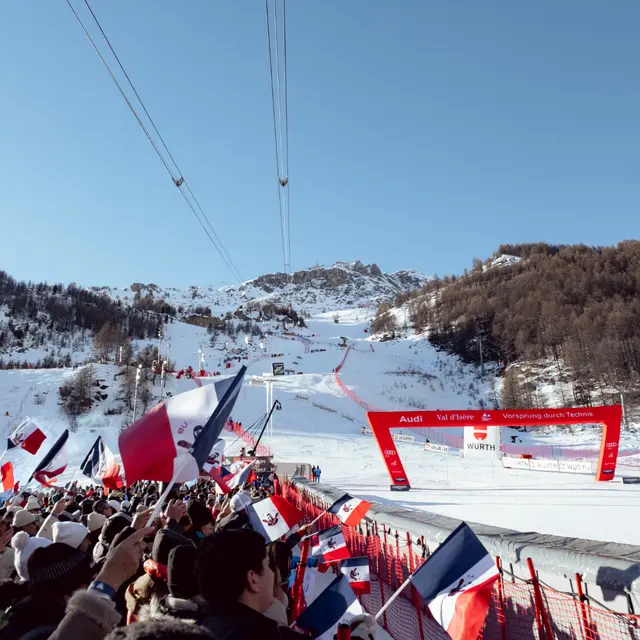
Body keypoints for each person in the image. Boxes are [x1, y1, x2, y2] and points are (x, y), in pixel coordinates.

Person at [196, 529, 307, 639]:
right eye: (269, 565)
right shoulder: (268, 634)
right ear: (253, 579)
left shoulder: (197, 627)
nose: (273, 573)